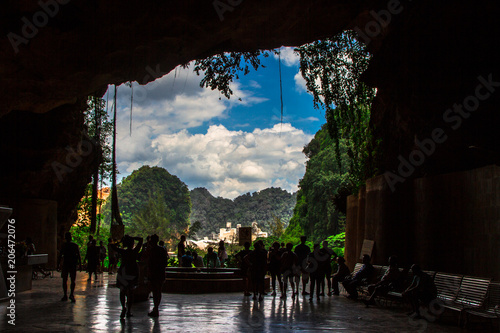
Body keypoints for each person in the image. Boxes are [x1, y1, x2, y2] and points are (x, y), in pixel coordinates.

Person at [112, 235, 143, 319]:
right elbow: (141, 240)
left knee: (122, 291)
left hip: (123, 272)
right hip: (132, 272)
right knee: (131, 292)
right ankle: (129, 310)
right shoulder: (135, 251)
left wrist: (120, 241)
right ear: (133, 244)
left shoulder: (123, 252)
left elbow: (112, 246)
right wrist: (133, 237)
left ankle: (123, 308)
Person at [147, 234, 168, 317]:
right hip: (161, 273)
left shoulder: (152, 250)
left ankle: (156, 309)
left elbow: (150, 263)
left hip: (154, 274)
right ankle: (156, 308)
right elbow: (165, 262)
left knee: (155, 291)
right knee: (158, 291)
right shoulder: (162, 250)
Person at [58, 232, 82, 302]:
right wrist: (80, 264)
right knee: (72, 280)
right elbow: (78, 256)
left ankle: (65, 295)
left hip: (66, 264)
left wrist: (58, 264)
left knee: (65, 280)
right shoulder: (74, 245)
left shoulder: (64, 245)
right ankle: (71, 294)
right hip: (72, 264)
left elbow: (60, 255)